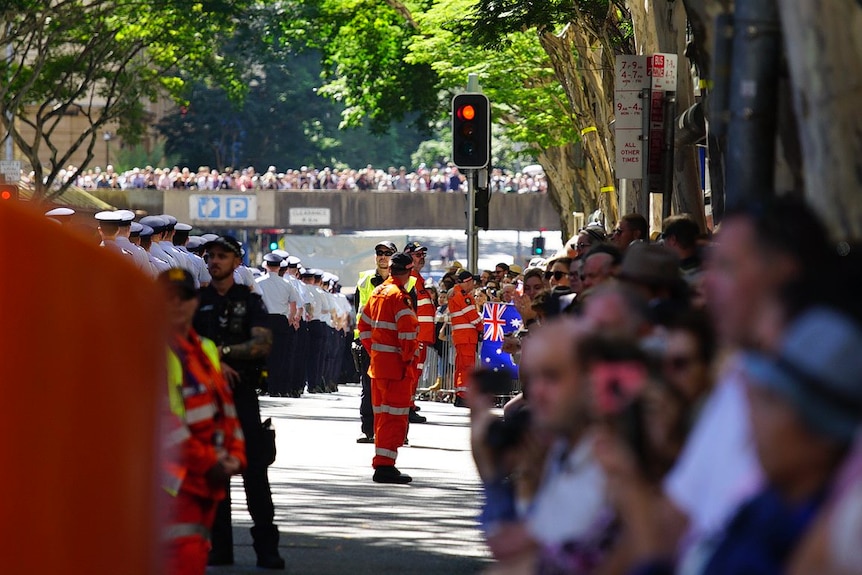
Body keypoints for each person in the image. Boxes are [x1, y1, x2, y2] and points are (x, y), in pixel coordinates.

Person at [191, 235, 284, 570]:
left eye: (222, 256)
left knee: (254, 473)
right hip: (207, 399)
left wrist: (221, 353)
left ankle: (267, 548)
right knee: (214, 473)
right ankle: (220, 546)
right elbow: (181, 345)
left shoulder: (251, 300)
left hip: (242, 395)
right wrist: (214, 360)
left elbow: (262, 344)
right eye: (210, 256)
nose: (214, 261)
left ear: (236, 262)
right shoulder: (196, 301)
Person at [159, 268, 246, 575]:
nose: (176, 305)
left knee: (194, 554)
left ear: (195, 302)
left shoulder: (205, 348)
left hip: (204, 478)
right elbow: (160, 422)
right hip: (171, 481)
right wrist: (210, 461)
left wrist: (235, 454)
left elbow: (224, 409)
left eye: (183, 297)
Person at [357, 253, 419, 484]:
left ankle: (382, 462)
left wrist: (376, 350)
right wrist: (406, 357)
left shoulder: (378, 292)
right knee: (395, 418)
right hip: (396, 369)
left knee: (382, 416)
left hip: (379, 367)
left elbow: (363, 325)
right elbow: (407, 334)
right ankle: (385, 465)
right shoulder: (399, 296)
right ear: (409, 272)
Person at [354, 241, 397, 443]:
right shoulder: (364, 280)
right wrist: (357, 340)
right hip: (368, 343)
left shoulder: (405, 281)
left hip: (393, 344)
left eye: (387, 253)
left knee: (392, 390)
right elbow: (358, 313)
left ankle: (394, 432)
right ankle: (369, 430)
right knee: (368, 388)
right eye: (379, 253)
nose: (382, 256)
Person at [255, 253, 301, 397]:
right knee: (280, 356)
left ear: (266, 266)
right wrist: (289, 319)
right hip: (281, 321)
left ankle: (263, 386)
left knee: (262, 354)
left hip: (264, 320)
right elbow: (293, 305)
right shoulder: (287, 284)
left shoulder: (259, 282)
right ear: (279, 267)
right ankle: (278, 388)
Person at [404, 241, 433, 425]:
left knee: (417, 372)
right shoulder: (410, 279)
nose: (421, 258)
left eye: (423, 255)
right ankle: (407, 406)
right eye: (417, 255)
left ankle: (410, 404)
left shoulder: (418, 278)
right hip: (416, 335)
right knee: (413, 372)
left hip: (422, 335)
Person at [448, 269, 484, 407]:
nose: (473, 284)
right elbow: (472, 316)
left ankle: (460, 395)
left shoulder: (455, 294)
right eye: (472, 281)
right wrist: (481, 328)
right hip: (466, 337)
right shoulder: (462, 296)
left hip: (461, 337)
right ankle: (463, 396)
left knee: (461, 366)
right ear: (467, 282)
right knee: (467, 367)